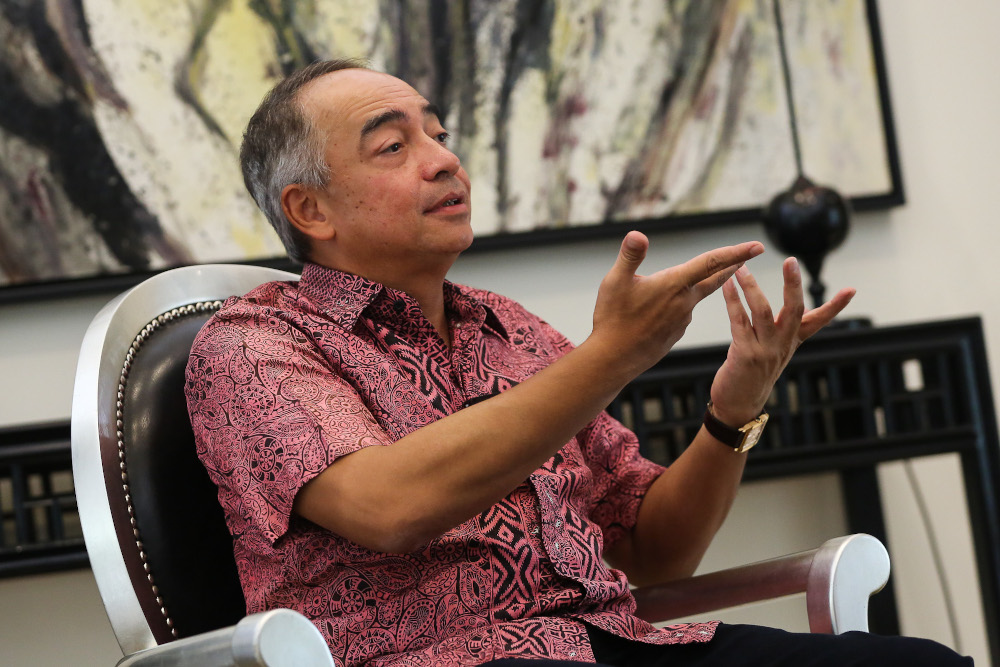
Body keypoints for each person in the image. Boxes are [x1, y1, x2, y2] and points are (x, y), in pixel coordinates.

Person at [185, 59, 971, 666]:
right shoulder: (254, 346)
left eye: (439, 134)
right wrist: (611, 356)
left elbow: (655, 549)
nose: (442, 162)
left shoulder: (510, 328)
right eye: (394, 146)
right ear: (309, 209)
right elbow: (392, 506)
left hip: (615, 647)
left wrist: (733, 411)